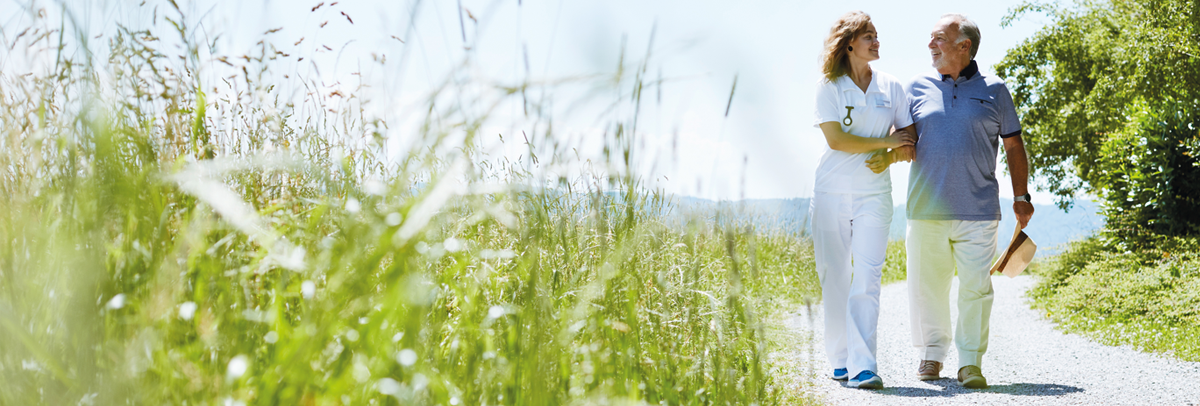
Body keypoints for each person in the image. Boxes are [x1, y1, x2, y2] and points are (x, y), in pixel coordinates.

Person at [867, 13, 1035, 389]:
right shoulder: (916, 87)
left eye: (938, 38)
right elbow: (902, 138)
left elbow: (1013, 145)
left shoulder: (995, 90)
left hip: (979, 210)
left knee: (976, 287)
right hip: (926, 209)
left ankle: (971, 361)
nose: (931, 45)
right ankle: (932, 354)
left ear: (964, 46)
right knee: (928, 286)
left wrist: (1021, 195)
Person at [811, 10, 916, 390]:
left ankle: (864, 367)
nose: (876, 41)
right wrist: (885, 142)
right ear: (849, 42)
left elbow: (910, 135)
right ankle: (839, 359)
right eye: (868, 35)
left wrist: (889, 156)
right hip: (830, 194)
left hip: (874, 195)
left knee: (867, 279)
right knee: (834, 278)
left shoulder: (892, 87)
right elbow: (836, 140)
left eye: (877, 35)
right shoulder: (830, 86)